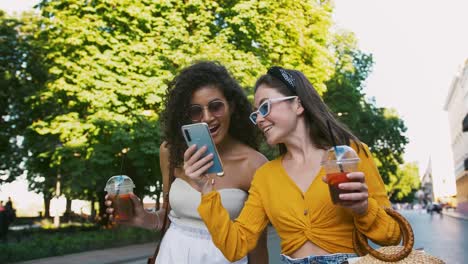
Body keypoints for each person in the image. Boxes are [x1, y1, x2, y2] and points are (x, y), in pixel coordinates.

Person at [184, 66, 402, 264]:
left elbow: (392, 236)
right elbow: (235, 247)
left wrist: (363, 208)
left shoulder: (349, 153)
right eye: (256, 113)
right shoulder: (265, 175)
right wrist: (206, 192)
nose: (259, 119)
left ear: (297, 104)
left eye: (265, 107)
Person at [106, 61, 270, 263]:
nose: (208, 117)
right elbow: (167, 217)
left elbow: (257, 244)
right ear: (186, 116)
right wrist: (143, 217)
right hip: (173, 255)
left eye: (216, 106)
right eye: (196, 111)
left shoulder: (254, 164)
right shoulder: (171, 152)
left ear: (232, 106)